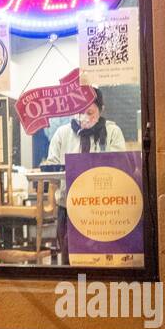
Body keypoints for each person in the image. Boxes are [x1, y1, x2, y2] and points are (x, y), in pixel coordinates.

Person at [44, 88, 126, 260]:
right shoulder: (62, 133)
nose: (84, 117)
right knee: (69, 258)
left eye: (90, 112)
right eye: (80, 111)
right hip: (68, 206)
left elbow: (120, 168)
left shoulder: (112, 132)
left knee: (102, 259)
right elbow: (52, 168)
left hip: (102, 208)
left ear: (101, 109)